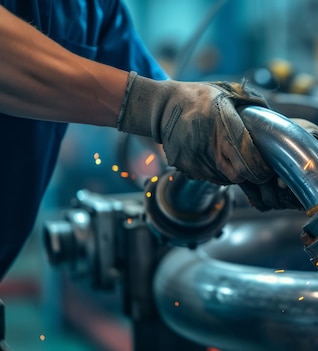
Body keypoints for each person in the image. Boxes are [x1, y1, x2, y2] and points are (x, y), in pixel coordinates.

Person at [0, 1, 300, 280]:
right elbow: (154, 105)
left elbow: (164, 108)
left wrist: (240, 155)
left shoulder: (94, 8)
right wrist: (158, 108)